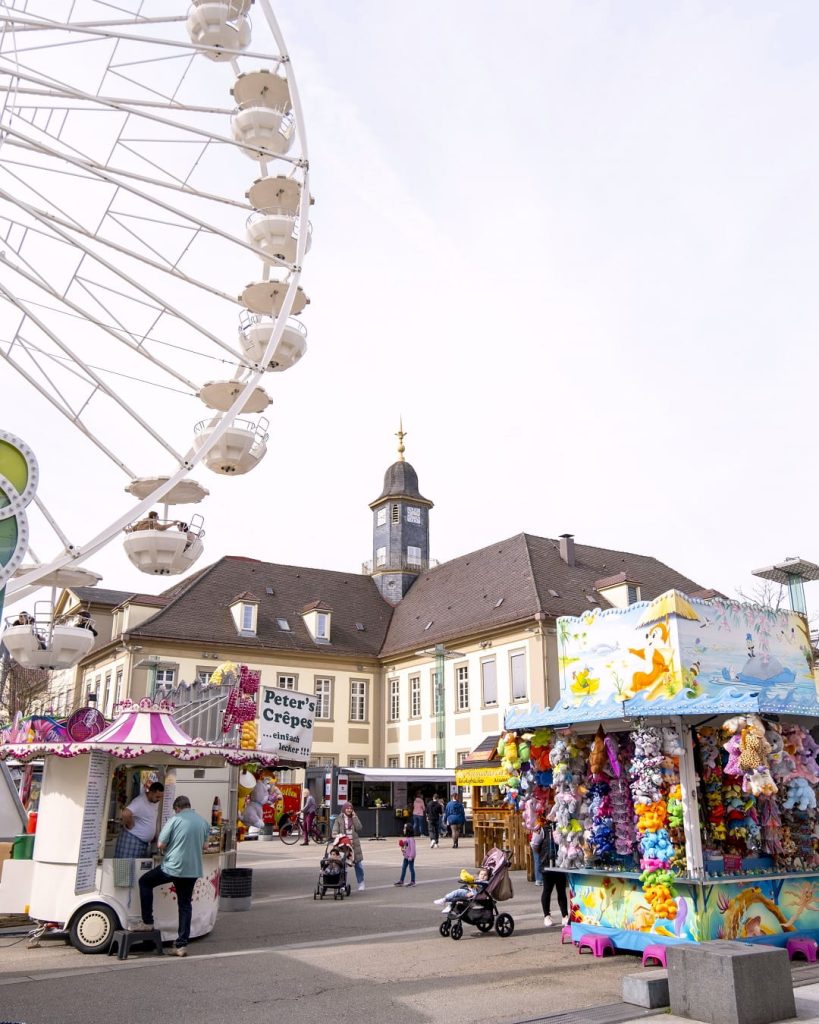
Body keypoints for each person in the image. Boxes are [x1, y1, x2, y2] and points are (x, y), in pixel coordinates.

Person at [135, 794, 210, 956]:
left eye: (175, 810)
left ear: (177, 808)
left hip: (172, 867)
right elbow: (205, 846)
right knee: (185, 906)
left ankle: (147, 922)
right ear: (189, 806)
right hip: (193, 870)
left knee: (145, 882)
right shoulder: (203, 822)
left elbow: (161, 843)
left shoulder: (174, 820)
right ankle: (181, 945)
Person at [114, 781, 164, 858]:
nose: (159, 799)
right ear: (150, 792)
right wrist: (130, 824)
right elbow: (125, 813)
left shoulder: (154, 801)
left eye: (161, 797)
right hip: (132, 840)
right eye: (157, 797)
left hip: (142, 843)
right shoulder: (140, 801)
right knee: (126, 868)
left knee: (136, 869)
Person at [539, 823, 569, 928]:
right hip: (546, 863)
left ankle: (565, 915)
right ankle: (546, 915)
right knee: (547, 890)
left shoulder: (562, 826)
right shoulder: (543, 829)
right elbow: (535, 844)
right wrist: (542, 856)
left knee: (561, 890)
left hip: (560, 864)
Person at [332, 802, 365, 891]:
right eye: (348, 808)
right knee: (343, 866)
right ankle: (343, 884)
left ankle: (361, 882)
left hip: (354, 846)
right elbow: (334, 830)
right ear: (344, 809)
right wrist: (336, 834)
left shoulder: (354, 817)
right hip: (344, 846)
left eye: (351, 808)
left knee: (358, 865)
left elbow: (359, 828)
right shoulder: (339, 818)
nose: (349, 810)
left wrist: (354, 817)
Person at [394, 822, 416, 886]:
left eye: (404, 828)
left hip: (410, 857)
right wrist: (402, 843)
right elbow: (405, 844)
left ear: (408, 830)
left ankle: (413, 881)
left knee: (411, 868)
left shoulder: (411, 839)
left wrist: (411, 857)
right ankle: (401, 880)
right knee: (403, 868)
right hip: (406, 857)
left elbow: (413, 849)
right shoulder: (407, 839)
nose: (403, 830)